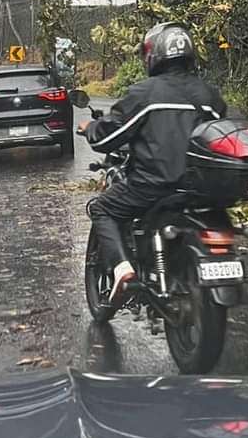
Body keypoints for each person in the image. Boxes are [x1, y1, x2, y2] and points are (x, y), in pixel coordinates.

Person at [78, 22, 228, 305]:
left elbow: (109, 137)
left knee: (101, 208)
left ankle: (123, 270)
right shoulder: (209, 96)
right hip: (200, 188)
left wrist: (90, 128)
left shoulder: (146, 93)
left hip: (154, 185)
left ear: (154, 56)